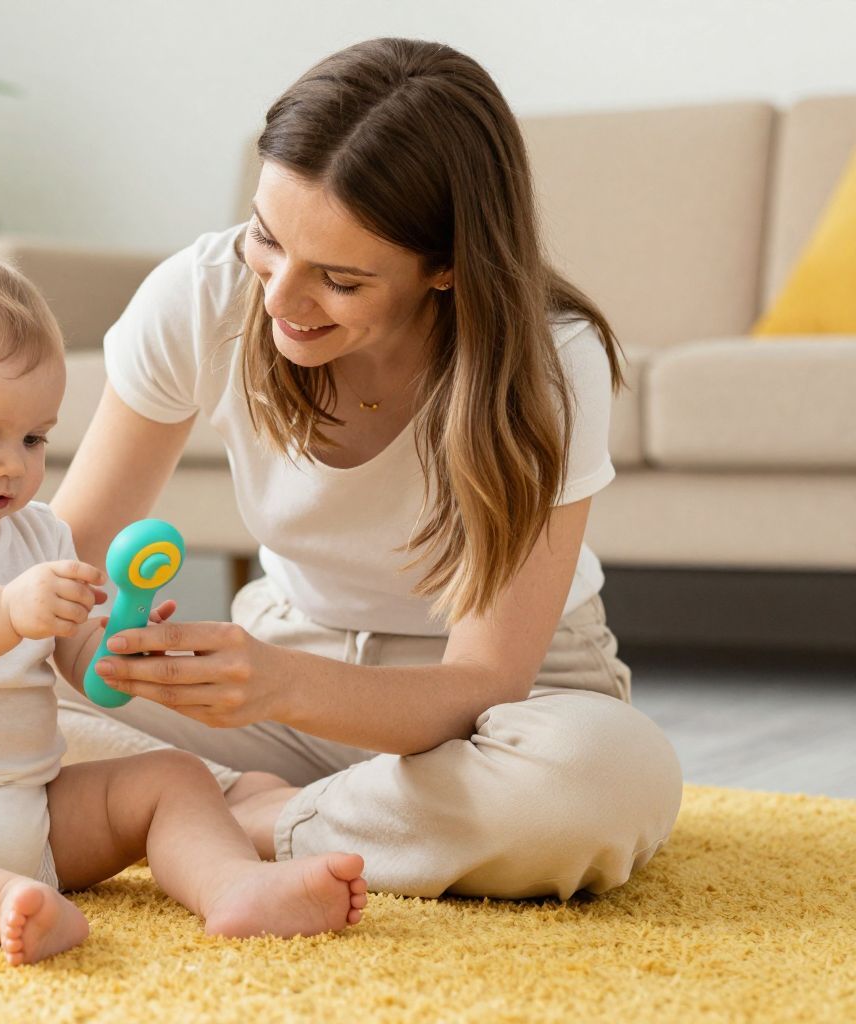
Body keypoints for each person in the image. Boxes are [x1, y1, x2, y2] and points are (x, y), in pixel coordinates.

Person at [50, 37, 684, 900]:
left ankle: (253, 822)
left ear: (448, 266)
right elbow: (63, 562)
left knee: (594, 784)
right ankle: (326, 813)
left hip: (500, 712)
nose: (278, 298)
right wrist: (111, 658)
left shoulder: (547, 360)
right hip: (282, 667)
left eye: (340, 280)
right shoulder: (200, 294)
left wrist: (278, 685)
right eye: (266, 238)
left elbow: (484, 678)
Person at [0, 251, 368, 967]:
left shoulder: (41, 534)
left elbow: (82, 673)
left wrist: (121, 645)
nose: (13, 464)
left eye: (35, 438)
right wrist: (6, 610)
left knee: (174, 776)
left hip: (32, 811)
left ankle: (234, 884)